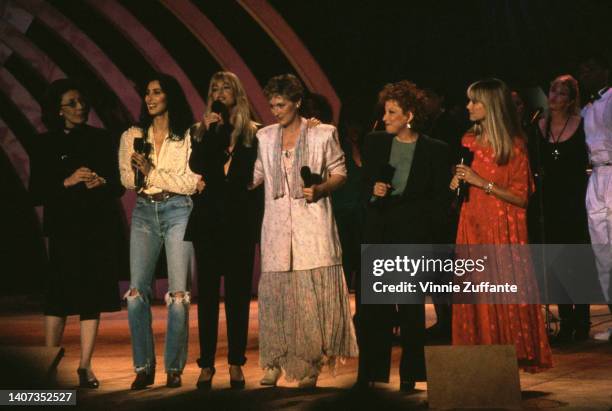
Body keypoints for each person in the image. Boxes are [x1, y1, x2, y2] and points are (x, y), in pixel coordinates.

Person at [252, 74, 358, 388]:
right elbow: (255, 176)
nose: (275, 111)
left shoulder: (323, 134)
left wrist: (322, 189)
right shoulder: (265, 137)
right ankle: (274, 360)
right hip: (277, 230)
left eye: (281, 105)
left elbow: (340, 172)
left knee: (310, 302)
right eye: (271, 105)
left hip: (312, 227)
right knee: (278, 299)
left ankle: (311, 364)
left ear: (297, 102)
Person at [450, 78, 553, 371]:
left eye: (474, 101)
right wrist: (456, 181)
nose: (468, 106)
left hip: (502, 229)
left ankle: (505, 359)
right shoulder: (467, 139)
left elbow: (521, 198)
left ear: (491, 106)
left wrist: (482, 183)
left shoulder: (515, 145)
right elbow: (462, 184)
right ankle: (480, 361)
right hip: (471, 223)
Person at [30, 79, 126, 388]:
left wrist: (101, 182)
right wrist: (67, 181)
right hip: (64, 230)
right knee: (57, 298)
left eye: (82, 101)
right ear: (58, 110)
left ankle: (85, 366)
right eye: (72, 103)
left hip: (96, 228)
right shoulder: (44, 144)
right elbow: (35, 192)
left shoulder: (101, 139)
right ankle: (48, 363)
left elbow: (118, 184)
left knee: (91, 297)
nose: (80, 107)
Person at [357, 81, 451, 391]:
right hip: (380, 231)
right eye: (385, 112)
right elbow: (362, 186)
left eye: (392, 112)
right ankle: (370, 373)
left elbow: (438, 201)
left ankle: (411, 375)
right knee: (374, 308)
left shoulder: (435, 150)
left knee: (411, 309)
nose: (385, 118)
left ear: (409, 115)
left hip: (412, 235)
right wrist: (374, 189)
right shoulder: (374, 143)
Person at [119, 73, 199, 389]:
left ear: (170, 97)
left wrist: (154, 172)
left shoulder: (187, 136)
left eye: (157, 92)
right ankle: (143, 367)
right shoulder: (132, 135)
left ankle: (174, 369)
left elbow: (191, 182)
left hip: (179, 209)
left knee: (178, 294)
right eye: (147, 93)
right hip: (143, 212)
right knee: (137, 293)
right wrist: (144, 174)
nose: (150, 98)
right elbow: (127, 179)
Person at [184, 71, 261, 390]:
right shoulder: (200, 130)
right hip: (208, 222)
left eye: (225, 87)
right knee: (209, 296)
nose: (220, 92)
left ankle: (235, 363)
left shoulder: (254, 132)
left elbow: (255, 176)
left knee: (239, 295)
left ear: (238, 93)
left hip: (240, 221)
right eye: (214, 88)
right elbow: (197, 166)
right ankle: (206, 364)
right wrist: (210, 129)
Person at [527, 75, 594, 343]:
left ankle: (582, 318)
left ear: (571, 99)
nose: (554, 97)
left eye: (561, 93)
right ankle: (565, 319)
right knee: (555, 262)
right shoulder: (538, 126)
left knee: (577, 260)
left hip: (575, 200)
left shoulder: (582, 125)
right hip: (549, 201)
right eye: (552, 91)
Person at [579, 55, 612, 342]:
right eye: (583, 71)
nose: (586, 74)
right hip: (596, 177)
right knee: (603, 253)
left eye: (591, 68)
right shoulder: (586, 109)